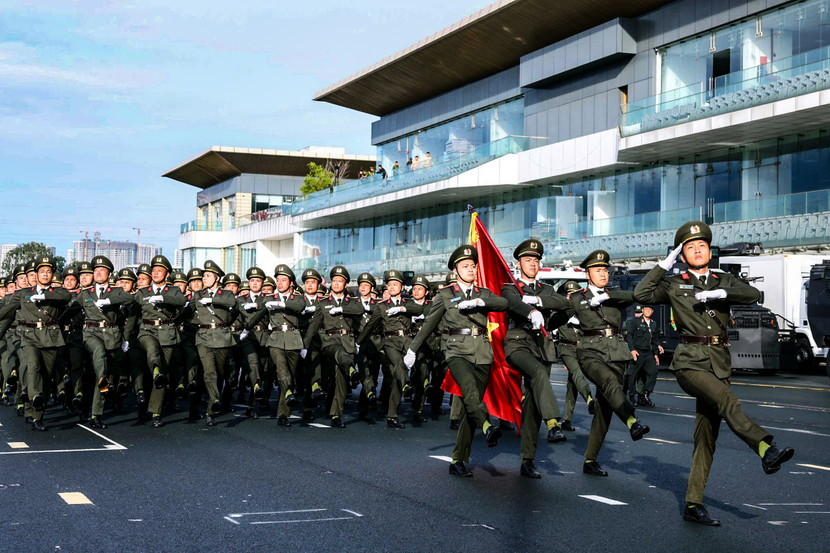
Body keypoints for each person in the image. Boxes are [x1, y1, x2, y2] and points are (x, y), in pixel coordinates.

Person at [634, 221, 794, 526]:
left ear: (710, 250)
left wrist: (721, 293)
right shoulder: (673, 282)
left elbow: (753, 294)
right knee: (726, 400)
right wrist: (661, 265)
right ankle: (765, 448)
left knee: (707, 435)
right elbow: (641, 294)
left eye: (702, 246)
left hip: (719, 362)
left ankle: (693, 505)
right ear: (682, 255)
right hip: (689, 363)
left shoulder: (724, 279)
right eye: (690, 247)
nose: (697, 250)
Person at [405, 245, 508, 477]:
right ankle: (487, 426)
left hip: (482, 352)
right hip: (456, 351)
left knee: (471, 407)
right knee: (470, 393)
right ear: (455, 270)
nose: (470, 269)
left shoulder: (483, 293)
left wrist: (481, 303)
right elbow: (429, 324)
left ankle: (458, 459)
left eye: (473, 265)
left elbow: (504, 304)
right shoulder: (445, 295)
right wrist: (412, 349)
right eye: (465, 266)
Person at [568, 249, 649, 478]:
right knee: (609, 382)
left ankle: (590, 459)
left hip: (616, 353)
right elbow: (558, 314)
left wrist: (606, 297)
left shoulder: (614, 294)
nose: (603, 274)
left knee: (605, 408)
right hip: (590, 353)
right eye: (597, 270)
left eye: (605, 270)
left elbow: (633, 297)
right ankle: (632, 421)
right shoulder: (577, 298)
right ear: (587, 274)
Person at [501, 239, 570, 478]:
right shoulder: (511, 287)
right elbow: (510, 303)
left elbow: (565, 304)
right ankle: (553, 424)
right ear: (518, 263)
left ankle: (527, 460)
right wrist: (529, 309)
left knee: (532, 405)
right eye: (528, 260)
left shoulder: (545, 290)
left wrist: (541, 306)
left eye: (536, 260)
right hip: (517, 345)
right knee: (539, 374)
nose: (532, 263)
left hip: (541, 346)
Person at [0, 255, 72, 430]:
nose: (45, 274)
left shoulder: (57, 292)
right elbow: (7, 311)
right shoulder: (23, 293)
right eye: (42, 271)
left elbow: (66, 296)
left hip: (51, 337)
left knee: (46, 378)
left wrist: (44, 296)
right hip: (29, 336)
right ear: (36, 274)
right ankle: (35, 396)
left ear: (52, 274)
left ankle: (36, 415)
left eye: (48, 271)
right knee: (32, 366)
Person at [357, 269, 423, 429]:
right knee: (399, 365)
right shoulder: (381, 307)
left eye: (395, 284)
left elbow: (419, 309)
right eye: (390, 285)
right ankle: (407, 385)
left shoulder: (407, 303)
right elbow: (370, 325)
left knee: (396, 379)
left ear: (401, 287)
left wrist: (401, 309)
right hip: (390, 342)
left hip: (407, 340)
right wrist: (358, 342)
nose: (392, 287)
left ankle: (392, 416)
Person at [76, 256, 135, 429]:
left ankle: (96, 413)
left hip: (110, 336)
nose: (98, 273)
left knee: (102, 377)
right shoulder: (86, 293)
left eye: (102, 270)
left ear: (109, 274)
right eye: (95, 271)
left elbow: (130, 299)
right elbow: (72, 311)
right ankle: (94, 406)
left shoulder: (115, 291)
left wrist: (109, 301)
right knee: (100, 363)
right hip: (91, 334)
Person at [303, 266, 364, 427]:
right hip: (329, 342)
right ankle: (351, 370)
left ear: (345, 284)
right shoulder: (323, 303)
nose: (337, 284)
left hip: (348, 342)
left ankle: (336, 414)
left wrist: (342, 308)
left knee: (340, 381)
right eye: (335, 281)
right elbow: (313, 326)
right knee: (338, 353)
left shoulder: (352, 302)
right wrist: (304, 346)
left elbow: (359, 309)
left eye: (340, 281)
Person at [135, 255, 185, 428]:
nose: (155, 273)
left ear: (167, 273)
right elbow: (133, 312)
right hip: (146, 331)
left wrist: (163, 299)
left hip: (167, 333)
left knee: (160, 376)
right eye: (154, 270)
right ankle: (143, 403)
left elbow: (182, 301)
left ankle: (155, 412)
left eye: (159, 271)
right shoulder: (143, 292)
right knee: (152, 351)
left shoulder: (173, 291)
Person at [551, 281, 595, 432]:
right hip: (566, 347)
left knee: (572, 385)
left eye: (574, 294)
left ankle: (567, 420)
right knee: (577, 373)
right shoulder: (561, 310)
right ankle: (590, 399)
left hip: (581, 347)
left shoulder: (584, 310)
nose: (571, 297)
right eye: (569, 294)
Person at [623, 305, 662, 407]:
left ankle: (645, 394)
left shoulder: (653, 324)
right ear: (643, 311)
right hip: (638, 351)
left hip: (648, 353)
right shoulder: (634, 322)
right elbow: (629, 337)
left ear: (652, 311)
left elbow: (655, 340)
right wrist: (632, 350)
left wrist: (656, 354)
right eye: (646, 309)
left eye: (650, 309)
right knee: (633, 375)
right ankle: (631, 396)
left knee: (653, 371)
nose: (648, 311)